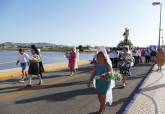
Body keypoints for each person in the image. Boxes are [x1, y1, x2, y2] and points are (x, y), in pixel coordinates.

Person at [87, 47, 115, 114]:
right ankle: (103, 104)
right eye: (98, 56)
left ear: (104, 57)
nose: (99, 58)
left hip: (105, 83)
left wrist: (106, 77)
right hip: (98, 82)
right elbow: (93, 73)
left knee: (103, 95)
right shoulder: (96, 65)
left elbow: (111, 75)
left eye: (101, 56)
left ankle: (101, 109)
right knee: (99, 96)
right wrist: (89, 81)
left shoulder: (107, 65)